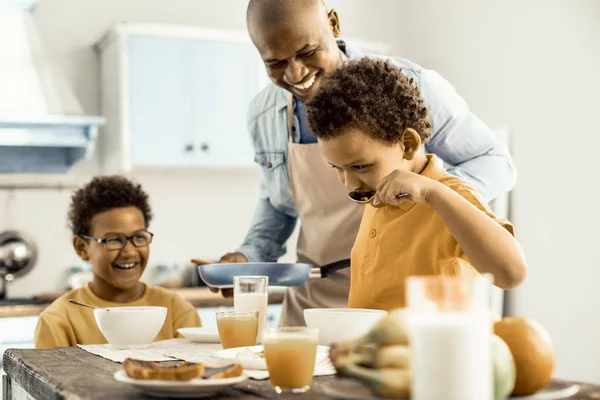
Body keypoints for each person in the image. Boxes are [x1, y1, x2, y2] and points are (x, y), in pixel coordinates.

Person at [214, 0, 518, 325]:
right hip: (314, 310)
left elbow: (494, 161)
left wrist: (429, 200)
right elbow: (277, 202)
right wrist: (250, 257)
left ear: (333, 24)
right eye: (275, 62)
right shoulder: (264, 114)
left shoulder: (404, 86)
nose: (295, 73)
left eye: (306, 52)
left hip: (410, 316)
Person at [304, 57, 527, 309]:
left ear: (408, 145)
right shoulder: (379, 197)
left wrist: (434, 193)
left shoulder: (447, 196)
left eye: (360, 167)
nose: (349, 184)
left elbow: (511, 273)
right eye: (338, 169)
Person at [35, 176, 200, 349]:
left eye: (138, 237)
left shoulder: (178, 312)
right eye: (113, 240)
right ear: (82, 248)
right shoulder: (58, 321)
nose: (129, 252)